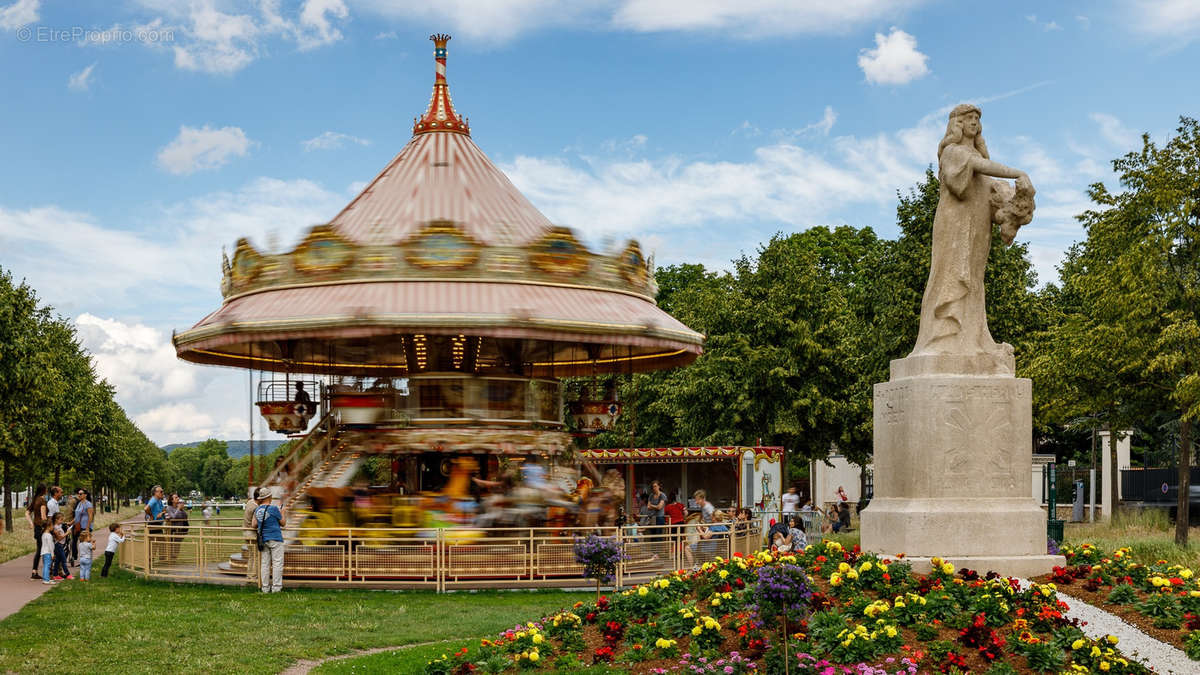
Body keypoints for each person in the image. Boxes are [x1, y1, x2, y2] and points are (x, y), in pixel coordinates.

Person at [252, 487, 286, 593]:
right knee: (277, 563)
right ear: (269, 497)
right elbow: (283, 523)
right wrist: (283, 513)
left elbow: (254, 525)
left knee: (265, 564)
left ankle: (265, 587)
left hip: (263, 539)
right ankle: (276, 587)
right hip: (275, 538)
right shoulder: (274, 509)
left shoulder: (257, 510)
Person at [26, 484, 48, 580]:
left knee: (39, 549)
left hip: (36, 527)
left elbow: (27, 513)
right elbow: (43, 516)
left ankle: (34, 571)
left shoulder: (35, 500)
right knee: (44, 549)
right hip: (42, 527)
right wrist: (48, 524)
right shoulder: (42, 500)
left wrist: (31, 523)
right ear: (44, 490)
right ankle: (47, 570)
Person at [72, 489, 94, 567]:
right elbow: (77, 516)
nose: (79, 495)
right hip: (78, 526)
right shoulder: (79, 503)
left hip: (85, 527)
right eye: (78, 493)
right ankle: (81, 560)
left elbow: (90, 516)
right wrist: (71, 523)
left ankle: (87, 562)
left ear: (85, 495)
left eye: (81, 494)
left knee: (85, 545)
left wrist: (87, 528)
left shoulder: (88, 504)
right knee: (79, 544)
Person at [144, 485, 166, 562]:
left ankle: (160, 561)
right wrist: (151, 515)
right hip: (153, 524)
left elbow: (164, 510)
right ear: (155, 493)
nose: (162, 493)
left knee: (161, 543)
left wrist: (162, 513)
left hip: (158, 524)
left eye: (162, 491)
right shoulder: (153, 500)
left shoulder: (159, 500)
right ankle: (150, 563)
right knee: (154, 544)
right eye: (161, 491)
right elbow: (146, 508)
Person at [165, 494, 189, 562]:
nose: (178, 498)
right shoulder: (169, 508)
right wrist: (178, 509)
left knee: (177, 546)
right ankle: (170, 560)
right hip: (173, 530)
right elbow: (173, 517)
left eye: (178, 497)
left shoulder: (179, 507)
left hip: (180, 530)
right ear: (172, 500)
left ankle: (174, 560)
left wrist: (182, 509)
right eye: (176, 497)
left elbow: (185, 517)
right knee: (172, 546)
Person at [50, 513, 72, 580]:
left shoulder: (59, 526)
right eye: (61, 520)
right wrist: (67, 533)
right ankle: (67, 574)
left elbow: (64, 525)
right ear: (56, 520)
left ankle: (55, 574)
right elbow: (59, 538)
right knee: (63, 560)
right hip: (58, 545)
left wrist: (67, 526)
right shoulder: (55, 528)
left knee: (57, 560)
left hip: (61, 545)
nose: (62, 521)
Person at [40, 520, 56, 585]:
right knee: (47, 566)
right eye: (52, 525)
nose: (53, 527)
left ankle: (46, 578)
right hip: (48, 552)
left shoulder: (44, 534)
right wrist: (52, 554)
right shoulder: (49, 535)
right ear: (48, 527)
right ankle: (46, 579)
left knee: (46, 566)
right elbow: (50, 545)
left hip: (44, 552)